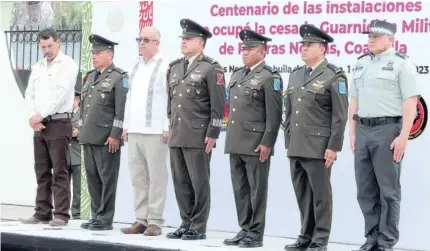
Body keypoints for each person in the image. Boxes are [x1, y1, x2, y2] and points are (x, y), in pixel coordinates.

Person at [349, 20, 420, 251]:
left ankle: (386, 241)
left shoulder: (402, 64)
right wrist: (352, 133)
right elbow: (354, 101)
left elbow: (411, 101)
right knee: (365, 189)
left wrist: (403, 136)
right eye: (369, 35)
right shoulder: (360, 64)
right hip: (364, 130)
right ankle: (372, 238)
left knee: (388, 190)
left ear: (391, 39)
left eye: (376, 36)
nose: (370, 39)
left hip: (388, 129)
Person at [283, 24, 348, 251]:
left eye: (309, 45)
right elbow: (289, 112)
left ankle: (320, 239)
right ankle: (305, 235)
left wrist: (333, 147)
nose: (303, 49)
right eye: (303, 45)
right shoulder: (296, 74)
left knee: (321, 196)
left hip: (319, 147)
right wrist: (288, 144)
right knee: (303, 195)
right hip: (297, 145)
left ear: (322, 50)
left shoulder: (334, 76)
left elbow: (339, 116)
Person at [165, 18, 226, 240]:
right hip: (177, 133)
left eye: (189, 39)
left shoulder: (211, 68)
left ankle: (198, 226)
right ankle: (186, 222)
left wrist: (213, 133)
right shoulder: (174, 67)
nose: (184, 42)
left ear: (200, 43)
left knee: (199, 182)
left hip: (198, 135)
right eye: (183, 38)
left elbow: (218, 106)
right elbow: (171, 103)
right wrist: (170, 126)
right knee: (181, 182)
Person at [223, 29, 283, 248]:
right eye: (244, 48)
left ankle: (255, 234)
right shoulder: (237, 74)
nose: (245, 52)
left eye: (250, 49)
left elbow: (274, 114)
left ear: (263, 51)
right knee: (240, 189)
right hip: (236, 140)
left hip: (256, 143)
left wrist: (268, 142)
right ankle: (245, 228)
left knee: (257, 190)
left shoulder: (270, 76)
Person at [21, 27, 79, 226]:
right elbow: (29, 93)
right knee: (41, 169)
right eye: (43, 47)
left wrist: (41, 115)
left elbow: (61, 94)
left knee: (60, 169)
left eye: (50, 45)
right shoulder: (38, 67)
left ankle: (61, 214)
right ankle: (42, 211)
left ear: (58, 41)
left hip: (58, 122)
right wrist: (32, 116)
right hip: (39, 124)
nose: (46, 50)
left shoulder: (68, 64)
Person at [120, 27, 169, 236]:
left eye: (146, 40)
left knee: (157, 177)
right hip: (135, 130)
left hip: (156, 131)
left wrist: (167, 126)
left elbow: (170, 99)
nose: (142, 43)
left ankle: (155, 221)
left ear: (157, 43)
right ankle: (141, 219)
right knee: (138, 177)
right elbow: (130, 98)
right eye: (139, 39)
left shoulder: (165, 66)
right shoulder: (135, 66)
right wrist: (126, 125)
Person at [79, 34, 128, 231]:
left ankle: (105, 218)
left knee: (107, 179)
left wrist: (115, 134)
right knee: (92, 178)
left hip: (107, 138)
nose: (94, 56)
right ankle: (95, 215)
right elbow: (83, 107)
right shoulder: (90, 76)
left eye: (98, 53)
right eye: (93, 53)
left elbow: (121, 109)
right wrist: (79, 127)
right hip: (89, 135)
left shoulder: (119, 77)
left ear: (110, 54)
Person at [67, 91, 82, 219]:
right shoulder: (64, 114)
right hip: (65, 156)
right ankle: (63, 211)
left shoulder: (83, 114)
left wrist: (78, 133)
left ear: (77, 100)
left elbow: (86, 130)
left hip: (78, 155)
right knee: (64, 187)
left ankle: (77, 212)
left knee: (78, 187)